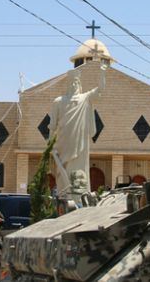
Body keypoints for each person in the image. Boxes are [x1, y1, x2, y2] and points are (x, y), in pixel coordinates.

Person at [48, 64, 107, 198]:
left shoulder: (84, 98)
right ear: (68, 84)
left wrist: (103, 73)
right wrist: (51, 144)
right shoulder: (58, 101)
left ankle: (79, 198)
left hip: (80, 144)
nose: (74, 84)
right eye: (72, 82)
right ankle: (65, 198)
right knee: (63, 175)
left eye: (76, 82)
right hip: (64, 144)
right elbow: (52, 126)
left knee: (79, 175)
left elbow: (100, 89)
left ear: (79, 84)